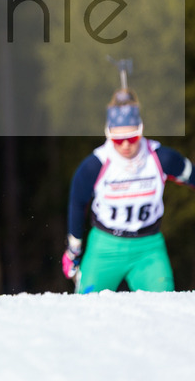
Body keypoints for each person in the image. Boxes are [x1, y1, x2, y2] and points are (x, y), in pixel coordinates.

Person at [62, 89, 194, 293]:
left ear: (141, 131)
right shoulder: (95, 165)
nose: (125, 145)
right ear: (108, 134)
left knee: (164, 306)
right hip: (105, 247)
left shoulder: (161, 158)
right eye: (117, 139)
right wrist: (73, 250)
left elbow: (191, 175)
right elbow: (77, 204)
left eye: (132, 138)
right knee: (87, 307)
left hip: (148, 248)